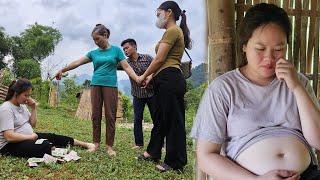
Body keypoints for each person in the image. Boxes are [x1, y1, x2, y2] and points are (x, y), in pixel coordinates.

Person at [191, 3, 320, 179]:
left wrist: (296, 88)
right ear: (244, 45)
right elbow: (206, 156)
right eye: (260, 49)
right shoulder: (223, 89)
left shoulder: (299, 83)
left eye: (278, 49)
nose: (269, 58)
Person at [55, 24, 139, 156]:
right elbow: (77, 62)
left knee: (111, 116)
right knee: (96, 115)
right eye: (94, 40)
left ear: (105, 36)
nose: (96, 42)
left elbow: (127, 67)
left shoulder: (117, 50)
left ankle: (109, 146)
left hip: (110, 86)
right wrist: (62, 70)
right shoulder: (93, 53)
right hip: (95, 85)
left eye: (98, 39)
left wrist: (138, 79)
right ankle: (96, 143)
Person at [137, 1, 192, 172]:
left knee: (173, 120)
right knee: (161, 119)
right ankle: (153, 152)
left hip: (170, 79)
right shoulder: (169, 32)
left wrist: (143, 76)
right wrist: (151, 77)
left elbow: (160, 59)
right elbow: (162, 62)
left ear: (168, 12)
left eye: (158, 13)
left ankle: (176, 162)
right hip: (163, 78)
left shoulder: (173, 30)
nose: (157, 17)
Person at [0, 78, 96, 158]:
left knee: (52, 137)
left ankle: (86, 144)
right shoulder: (6, 108)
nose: (27, 98)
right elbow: (9, 136)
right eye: (25, 95)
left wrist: (33, 108)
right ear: (16, 93)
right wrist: (30, 137)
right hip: (9, 145)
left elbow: (33, 124)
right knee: (44, 146)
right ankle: (58, 151)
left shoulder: (22, 105)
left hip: (28, 137)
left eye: (29, 95)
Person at [121, 38, 156, 149]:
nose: (125, 51)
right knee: (137, 119)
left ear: (135, 46)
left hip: (152, 93)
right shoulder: (125, 63)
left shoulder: (147, 58)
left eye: (127, 48)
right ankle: (139, 144)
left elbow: (157, 67)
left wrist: (150, 77)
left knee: (156, 118)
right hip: (137, 95)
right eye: (123, 49)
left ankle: (160, 143)